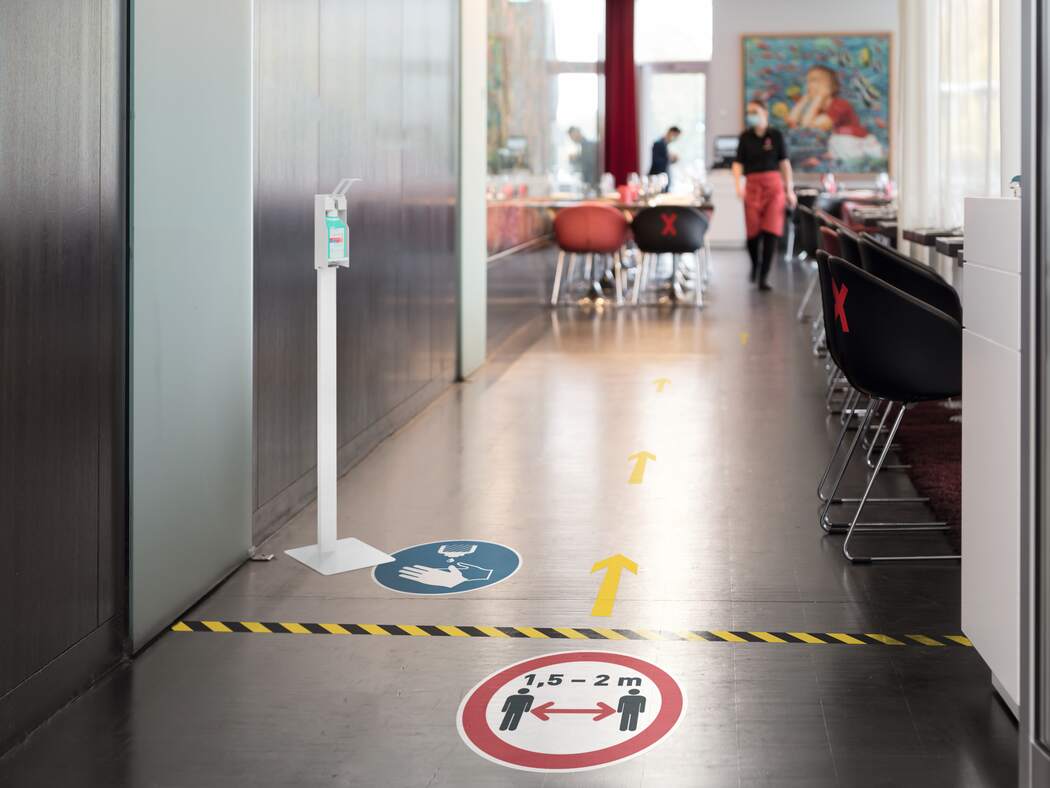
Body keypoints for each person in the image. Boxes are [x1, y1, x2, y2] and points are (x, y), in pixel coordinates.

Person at [731, 99, 797, 291]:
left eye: (755, 111)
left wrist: (789, 190)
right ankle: (755, 264)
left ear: (765, 113)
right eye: (749, 112)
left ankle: (764, 276)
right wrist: (738, 185)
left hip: (774, 188)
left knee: (771, 231)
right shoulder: (745, 137)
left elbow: (784, 164)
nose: (751, 115)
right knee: (752, 232)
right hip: (752, 187)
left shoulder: (776, 135)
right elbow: (737, 164)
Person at [787, 65, 884, 165]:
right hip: (842, 143)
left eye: (815, 80)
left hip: (857, 142)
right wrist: (805, 99)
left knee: (835, 141)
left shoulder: (840, 105)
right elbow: (792, 121)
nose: (809, 85)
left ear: (830, 86)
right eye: (808, 81)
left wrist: (818, 98)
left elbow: (809, 126)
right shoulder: (818, 108)